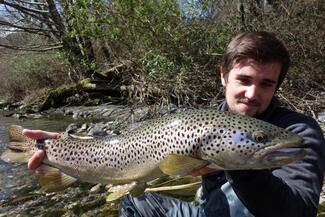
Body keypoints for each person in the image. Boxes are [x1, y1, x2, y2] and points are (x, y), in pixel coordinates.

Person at [25, 31, 325, 217]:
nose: (252, 93)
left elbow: (298, 211)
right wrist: (69, 147)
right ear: (223, 76)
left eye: (266, 84)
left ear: (276, 87)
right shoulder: (204, 122)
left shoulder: (296, 133)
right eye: (244, 80)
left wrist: (238, 165)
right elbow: (129, 149)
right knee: (136, 205)